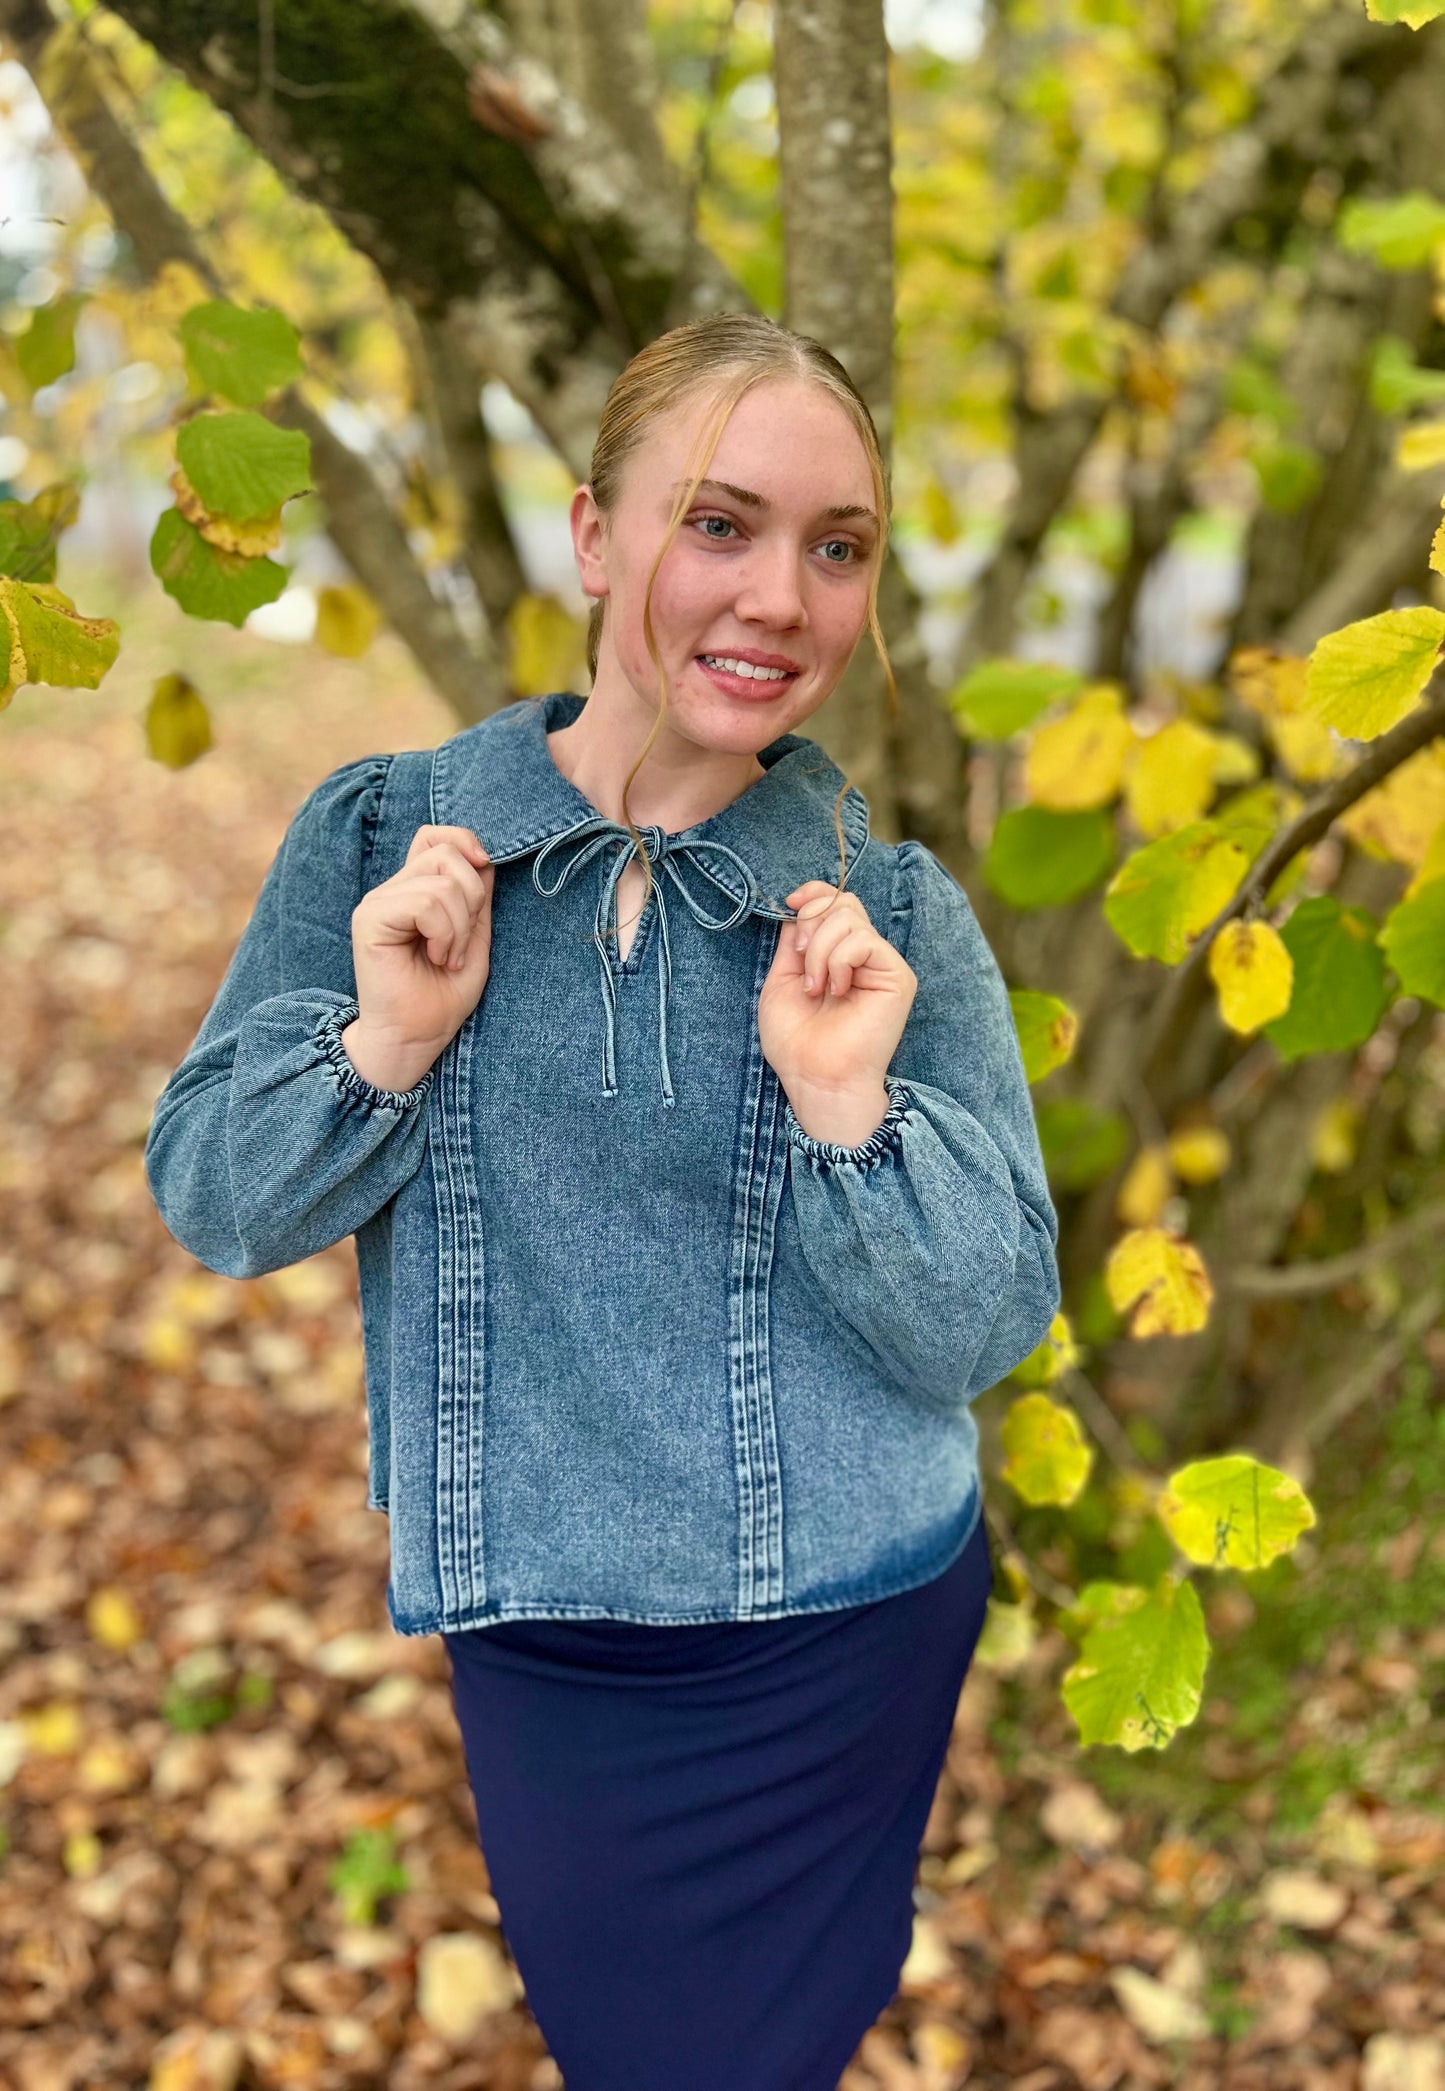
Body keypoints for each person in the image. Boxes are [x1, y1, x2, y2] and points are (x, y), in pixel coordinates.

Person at [145, 311, 1061, 2091]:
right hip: (554, 1639)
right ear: (588, 536)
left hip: (845, 1623)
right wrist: (387, 1044)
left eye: (835, 548)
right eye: (717, 524)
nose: (779, 599)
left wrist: (844, 1102)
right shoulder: (384, 841)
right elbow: (218, 1202)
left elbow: (984, 1325)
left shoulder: (895, 911)